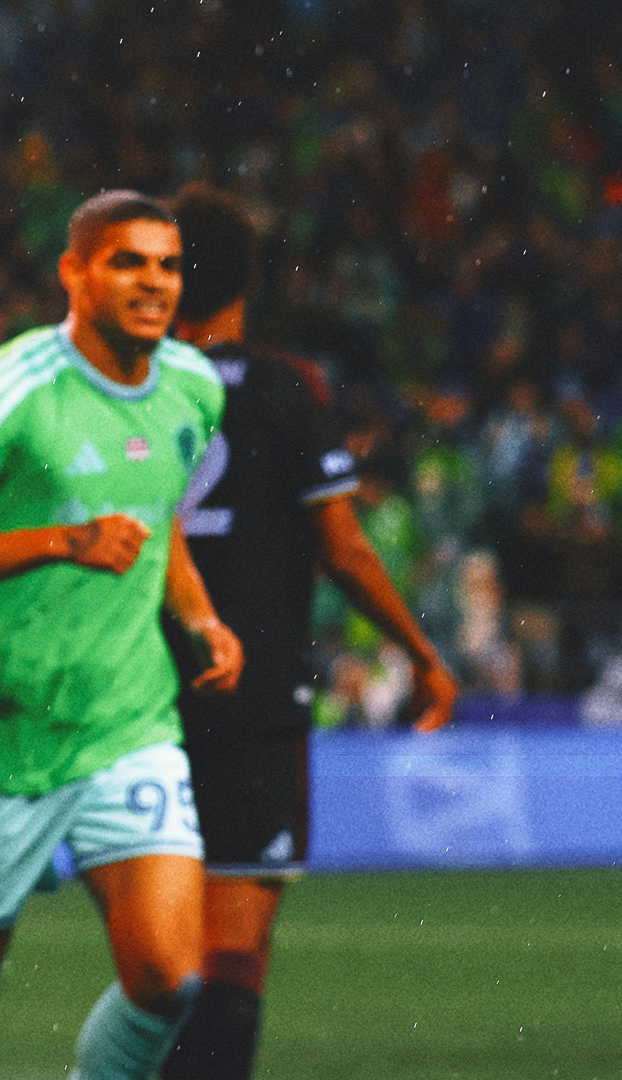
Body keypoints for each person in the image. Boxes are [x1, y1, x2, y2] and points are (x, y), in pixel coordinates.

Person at [0, 190, 242, 1080]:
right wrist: (62, 541)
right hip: (5, 736)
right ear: (75, 274)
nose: (154, 282)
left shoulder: (193, 388)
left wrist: (199, 617)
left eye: (168, 265)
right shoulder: (9, 389)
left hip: (131, 722)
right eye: (128, 262)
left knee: (170, 977)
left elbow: (156, 522)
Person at [158, 184, 456, 1080]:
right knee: (233, 960)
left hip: (148, 693)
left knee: (162, 962)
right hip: (254, 695)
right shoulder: (287, 389)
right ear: (249, 280)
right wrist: (422, 654)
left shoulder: (138, 382)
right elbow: (346, 550)